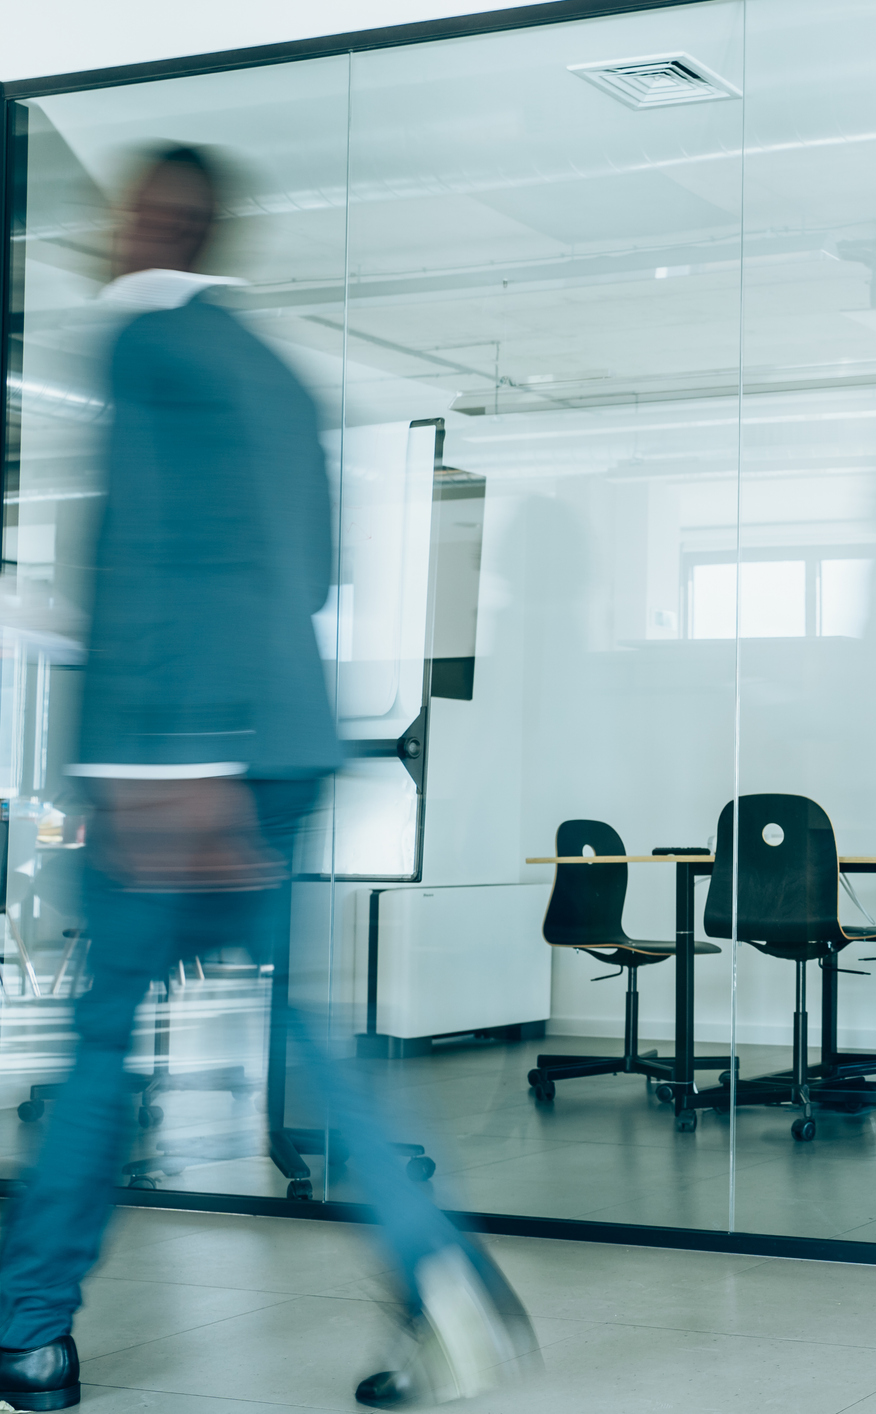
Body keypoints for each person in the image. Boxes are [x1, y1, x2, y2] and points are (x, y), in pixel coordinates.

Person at [0, 145, 535, 1414]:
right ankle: (439, 1267)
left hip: (174, 766)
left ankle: (28, 1330)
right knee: (306, 1029)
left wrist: (165, 767)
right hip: (277, 747)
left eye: (124, 212)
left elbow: (160, 566)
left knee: (95, 1048)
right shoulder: (275, 375)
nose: (105, 235)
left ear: (156, 224)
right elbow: (300, 574)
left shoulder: (143, 348)